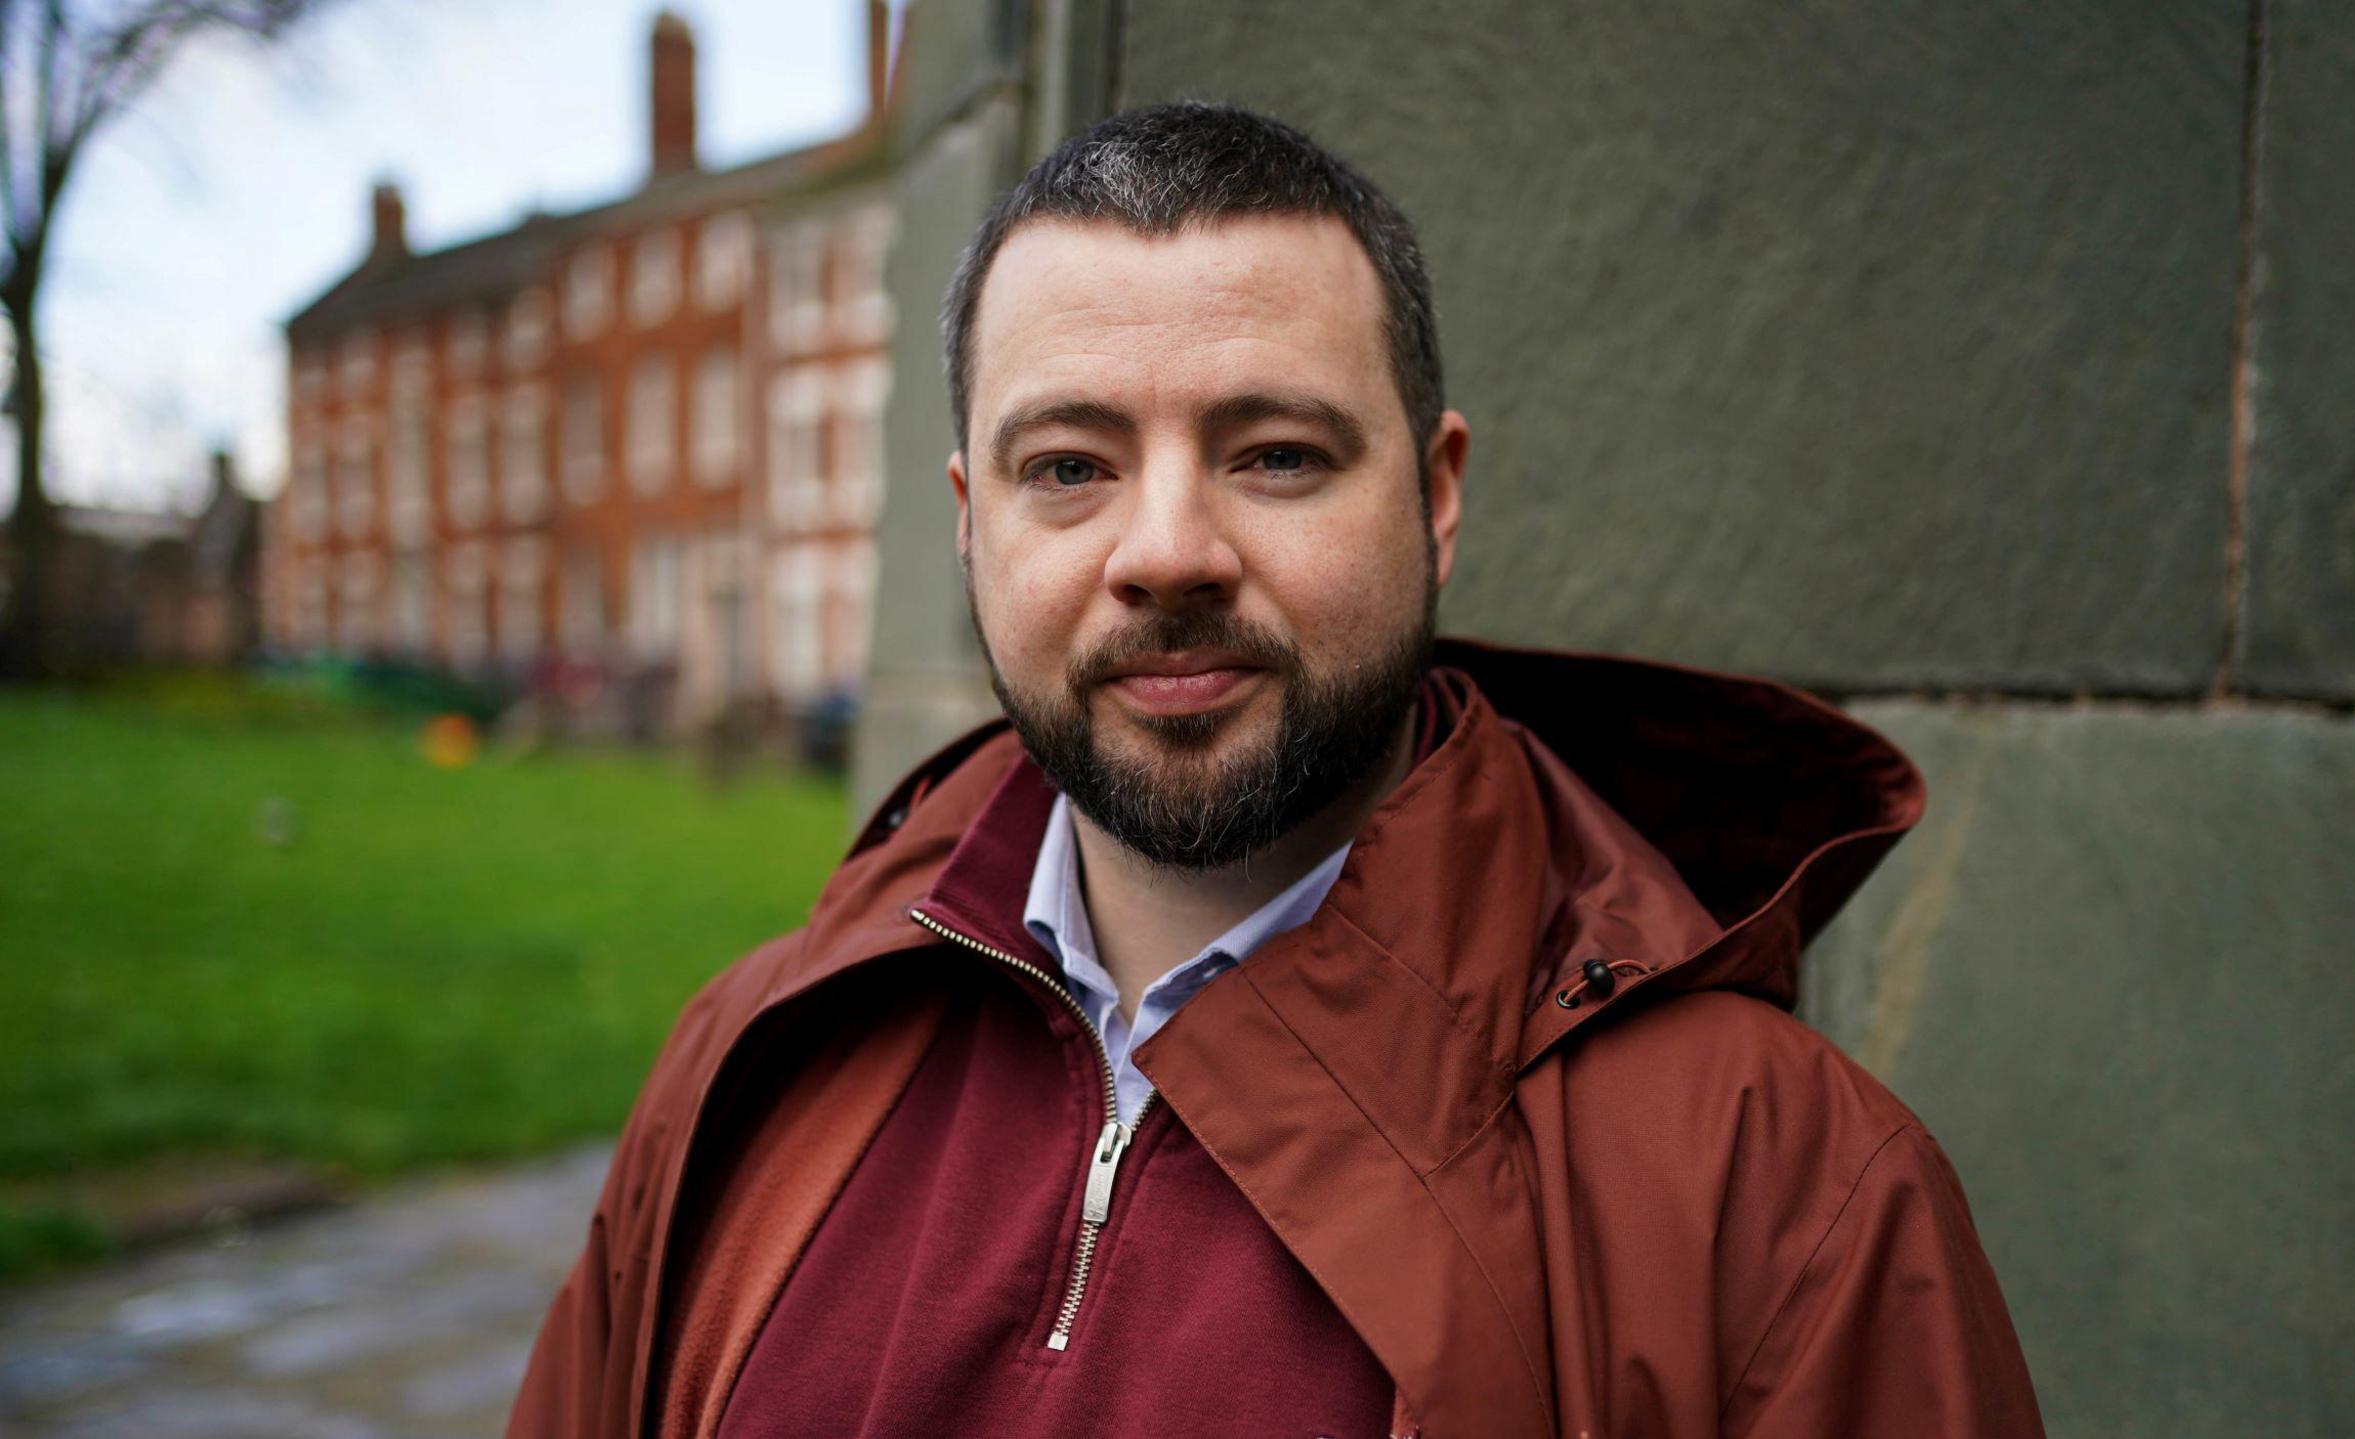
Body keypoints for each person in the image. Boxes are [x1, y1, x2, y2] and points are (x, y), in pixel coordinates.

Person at [509, 101, 2044, 1439]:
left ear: (1436, 500)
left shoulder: (1786, 1198)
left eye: (1277, 455)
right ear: (971, 523)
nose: (1168, 550)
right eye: (1070, 468)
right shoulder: (749, 1067)